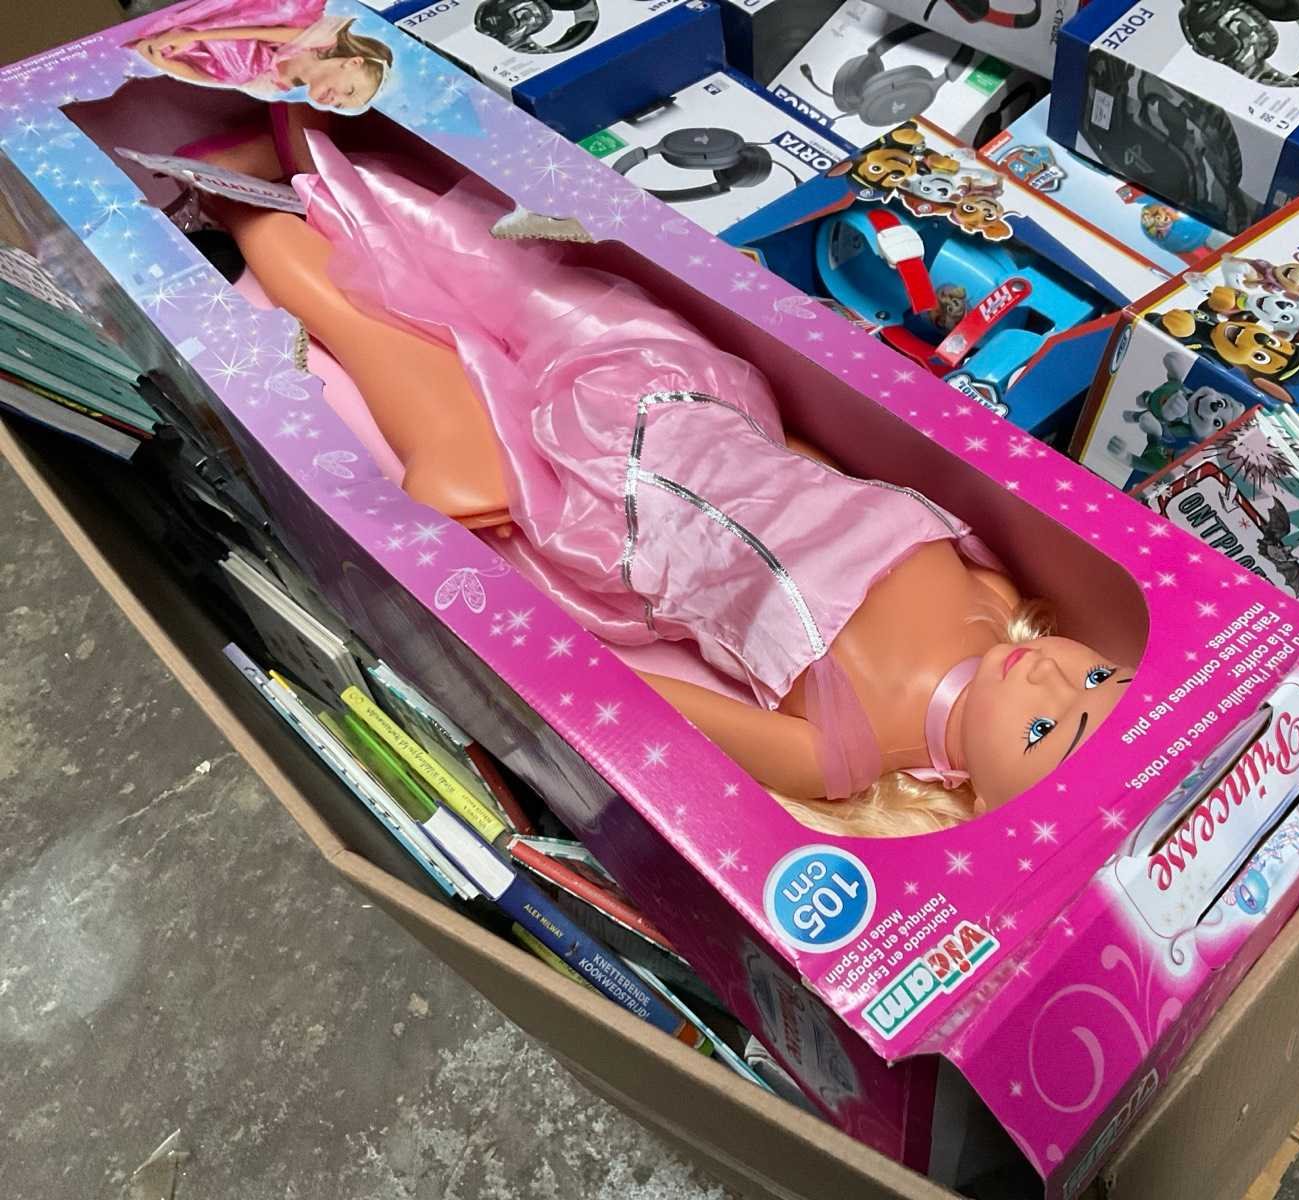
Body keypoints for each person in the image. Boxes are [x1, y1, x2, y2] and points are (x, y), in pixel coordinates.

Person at [191, 125, 1135, 835]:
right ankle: (325, 159)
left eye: (1045, 731)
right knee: (509, 274)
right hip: (700, 402)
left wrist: (514, 617)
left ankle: (239, 205)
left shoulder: (841, 754)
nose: (1056, 675)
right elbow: (826, 480)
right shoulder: (992, 593)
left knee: (418, 372)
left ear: (989, 803)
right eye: (1095, 673)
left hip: (619, 506)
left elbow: (649, 699)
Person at [126, 0, 392, 112]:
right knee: (287, 9)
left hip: (196, 46)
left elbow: (211, 79)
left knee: (242, 72)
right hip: (229, 19)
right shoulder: (321, 38)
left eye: (340, 106)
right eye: (349, 91)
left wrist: (161, 62)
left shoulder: (274, 86)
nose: (335, 100)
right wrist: (190, 35)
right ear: (353, 62)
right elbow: (251, 28)